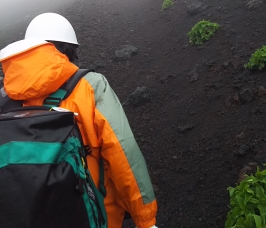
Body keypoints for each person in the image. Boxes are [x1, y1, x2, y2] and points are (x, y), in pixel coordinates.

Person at [0, 12, 158, 228]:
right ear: (69, 48)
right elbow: (122, 152)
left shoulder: (5, 98)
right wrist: (145, 219)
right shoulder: (90, 85)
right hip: (92, 216)